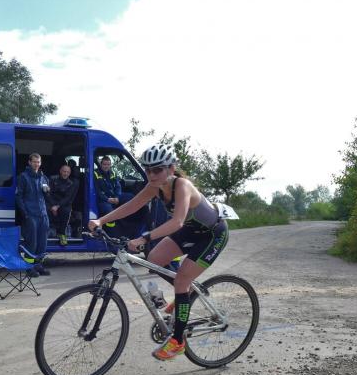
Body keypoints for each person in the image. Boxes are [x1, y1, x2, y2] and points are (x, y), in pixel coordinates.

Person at [88, 143, 228, 361]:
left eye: (157, 170)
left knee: (181, 280)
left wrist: (145, 238)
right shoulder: (155, 186)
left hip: (212, 234)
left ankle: (178, 341)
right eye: (147, 170)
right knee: (154, 259)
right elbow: (132, 205)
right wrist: (101, 220)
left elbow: (177, 221)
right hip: (191, 230)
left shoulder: (182, 185)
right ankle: (185, 294)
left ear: (171, 168)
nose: (151, 174)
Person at [15, 152, 51, 276]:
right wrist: (25, 214)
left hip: (43, 215)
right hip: (31, 215)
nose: (36, 164)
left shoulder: (43, 177)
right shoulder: (23, 177)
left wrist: (48, 191)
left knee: (42, 243)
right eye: (34, 162)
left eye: (38, 162)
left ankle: (38, 265)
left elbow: (47, 196)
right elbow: (18, 197)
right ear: (29, 162)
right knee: (31, 243)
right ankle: (29, 267)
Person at [46, 163, 79, 246]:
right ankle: (45, 233)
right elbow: (48, 194)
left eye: (68, 172)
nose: (65, 173)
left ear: (70, 173)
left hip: (62, 204)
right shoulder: (52, 179)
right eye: (64, 171)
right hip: (51, 202)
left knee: (67, 210)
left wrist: (57, 206)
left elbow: (68, 198)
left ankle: (62, 234)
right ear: (60, 171)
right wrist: (52, 206)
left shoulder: (71, 183)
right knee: (44, 209)